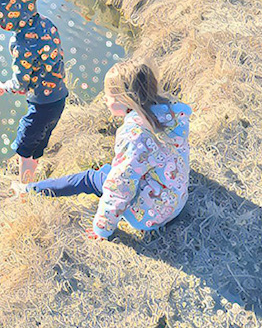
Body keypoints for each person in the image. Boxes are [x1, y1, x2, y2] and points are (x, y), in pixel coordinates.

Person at [18, 59, 191, 240]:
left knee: (91, 178)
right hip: (176, 200)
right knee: (115, 170)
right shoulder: (173, 115)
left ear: (125, 99)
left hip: (151, 214)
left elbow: (120, 187)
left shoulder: (135, 135)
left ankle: (30, 189)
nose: (105, 100)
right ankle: (32, 189)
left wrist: (102, 228)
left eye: (108, 96)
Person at [0, 0, 69, 185]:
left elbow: (20, 83)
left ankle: (25, 189)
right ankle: (32, 180)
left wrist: (4, 87)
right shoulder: (46, 23)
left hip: (41, 106)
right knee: (37, 145)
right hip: (59, 98)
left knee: (23, 149)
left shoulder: (21, 44)